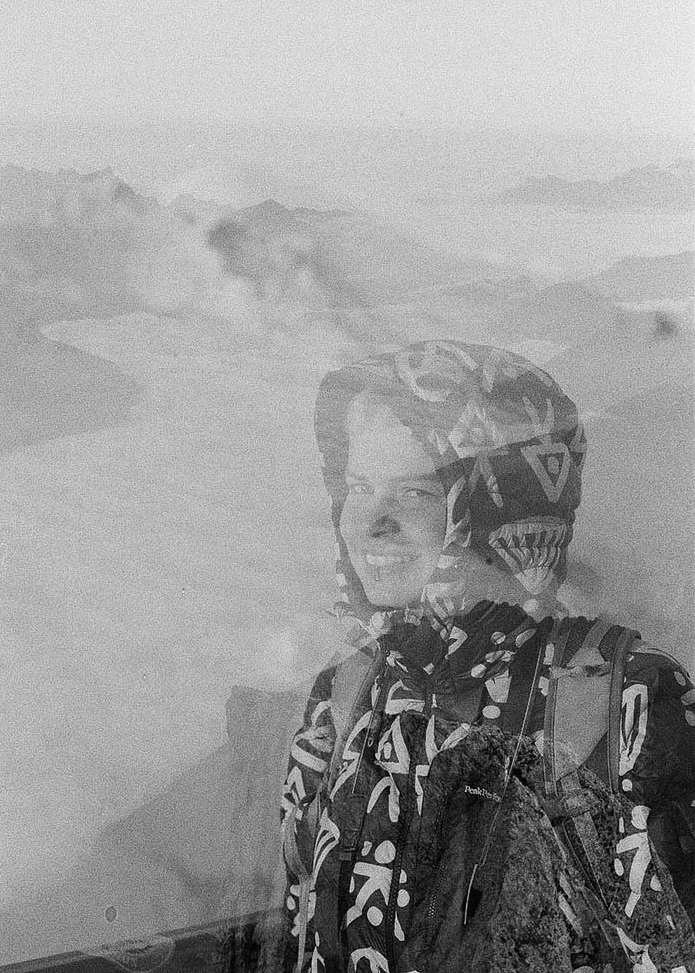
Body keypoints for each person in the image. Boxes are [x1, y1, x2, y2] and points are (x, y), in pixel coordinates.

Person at [280, 340, 695, 973]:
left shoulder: (622, 706)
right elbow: (297, 932)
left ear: (491, 515)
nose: (370, 524)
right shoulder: (346, 696)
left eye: (417, 493)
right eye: (359, 486)